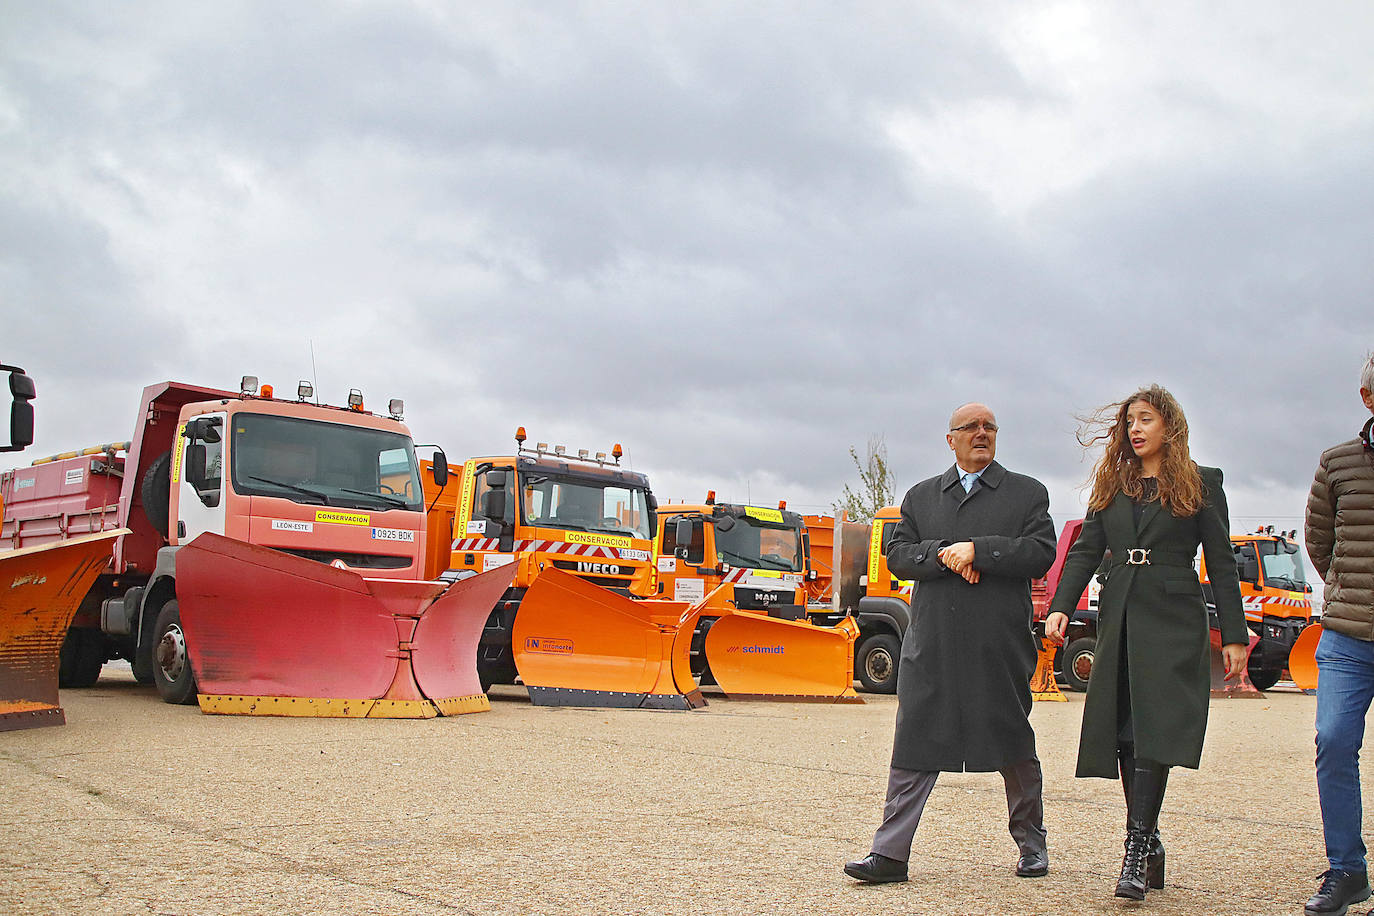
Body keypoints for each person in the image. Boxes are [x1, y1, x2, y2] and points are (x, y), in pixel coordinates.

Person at [1045, 384, 1247, 901]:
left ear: (1169, 427)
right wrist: (1061, 607)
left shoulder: (1201, 484)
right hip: (1120, 614)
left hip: (1174, 616)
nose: (1134, 429)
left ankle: (1136, 847)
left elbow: (1221, 562)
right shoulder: (1113, 485)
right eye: (1130, 421)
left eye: (1145, 420)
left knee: (1154, 726)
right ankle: (1150, 839)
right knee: (1125, 729)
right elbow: (1086, 550)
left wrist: (1235, 635)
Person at [844, 402, 1057, 884]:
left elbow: (1041, 552)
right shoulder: (921, 497)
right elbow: (896, 554)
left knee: (1011, 740)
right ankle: (890, 854)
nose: (981, 434)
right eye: (970, 428)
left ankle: (1031, 844)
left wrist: (981, 550)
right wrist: (944, 555)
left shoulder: (1027, 493)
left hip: (996, 643)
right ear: (951, 439)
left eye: (989, 427)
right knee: (915, 739)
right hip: (933, 642)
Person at [1302, 353, 1374, 916]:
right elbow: (1319, 542)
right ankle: (1347, 871)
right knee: (1332, 742)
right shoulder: (1338, 462)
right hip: (1348, 637)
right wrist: (1352, 591)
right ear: (1366, 398)